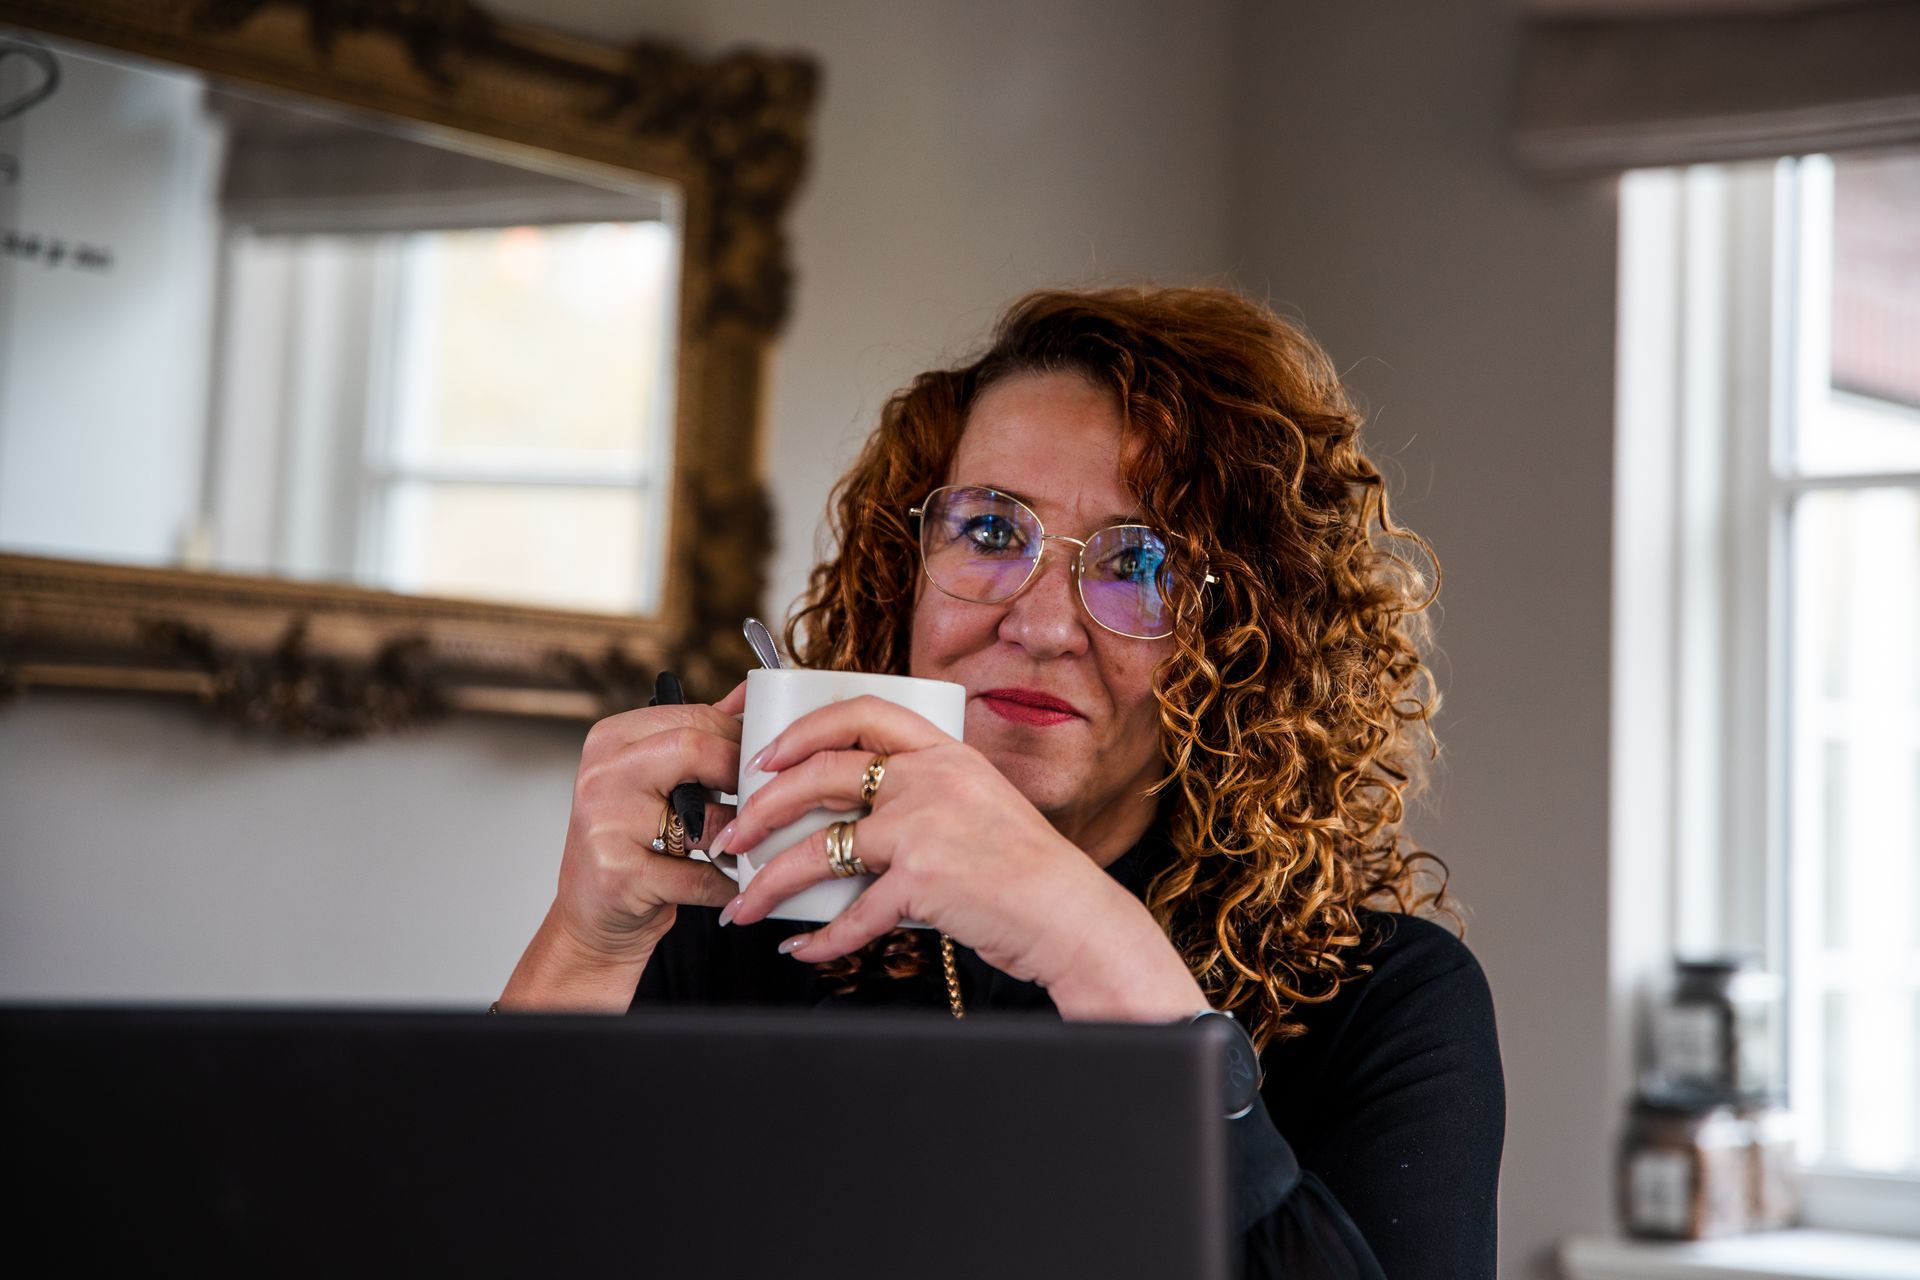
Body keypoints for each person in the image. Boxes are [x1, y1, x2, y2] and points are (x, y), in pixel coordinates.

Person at [500, 286, 1505, 1277]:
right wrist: (584, 951)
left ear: (1246, 640)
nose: (1041, 625)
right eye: (990, 532)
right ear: (905, 571)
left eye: (1140, 562)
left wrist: (1092, 941)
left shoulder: (1385, 1005)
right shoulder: (742, 925)